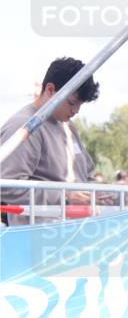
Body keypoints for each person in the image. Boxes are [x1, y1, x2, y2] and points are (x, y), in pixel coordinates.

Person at [0, 57, 100, 221]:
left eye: (80, 104)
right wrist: (65, 198)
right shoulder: (24, 127)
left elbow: (84, 176)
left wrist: (102, 193)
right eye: (71, 102)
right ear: (50, 89)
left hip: (72, 234)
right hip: (39, 236)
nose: (76, 110)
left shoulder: (68, 126)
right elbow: (7, 185)